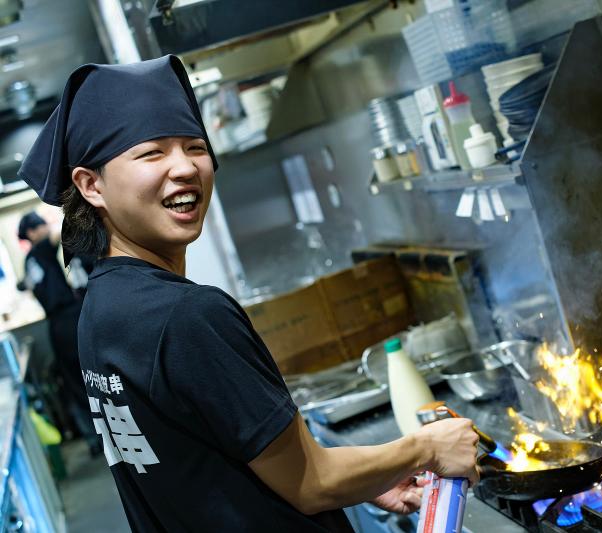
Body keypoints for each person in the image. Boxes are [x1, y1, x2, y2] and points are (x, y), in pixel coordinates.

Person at [17, 55, 479, 532]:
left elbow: (212, 468)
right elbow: (311, 484)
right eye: (151, 153)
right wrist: (426, 448)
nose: (184, 168)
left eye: (195, 147)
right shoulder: (186, 315)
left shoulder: (103, 308)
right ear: (91, 185)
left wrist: (368, 475)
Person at [16, 211, 103, 457]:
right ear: (32, 233)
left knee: (75, 383)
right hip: (70, 318)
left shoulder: (29, 262)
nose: (45, 228)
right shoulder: (40, 251)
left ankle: (93, 438)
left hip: (56, 326)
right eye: (40, 225)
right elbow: (57, 236)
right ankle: (107, 432)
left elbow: (29, 288)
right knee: (94, 375)